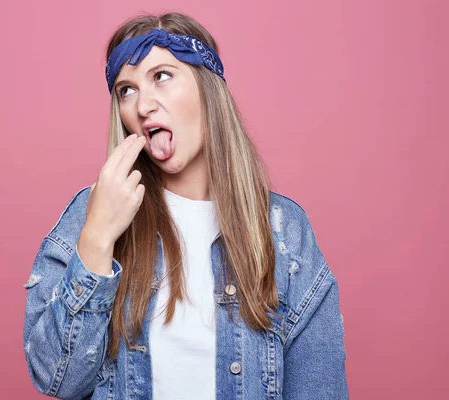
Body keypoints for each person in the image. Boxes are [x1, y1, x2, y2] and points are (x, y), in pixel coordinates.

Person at [22, 12, 348, 400]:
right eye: (126, 90)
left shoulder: (285, 231)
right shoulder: (90, 212)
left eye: (161, 76)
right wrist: (97, 237)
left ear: (207, 88)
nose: (143, 105)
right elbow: (56, 378)